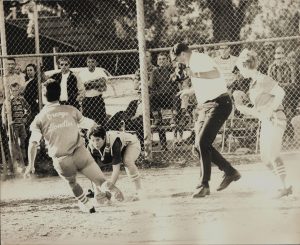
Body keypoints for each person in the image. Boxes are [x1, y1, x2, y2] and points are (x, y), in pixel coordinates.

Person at [24, 79, 124, 213]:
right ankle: (109, 187)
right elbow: (92, 124)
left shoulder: (40, 118)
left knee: (72, 183)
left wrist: (30, 165)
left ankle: (87, 205)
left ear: (43, 95)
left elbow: (33, 143)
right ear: (60, 94)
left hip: (62, 159)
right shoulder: (70, 110)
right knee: (100, 181)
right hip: (79, 152)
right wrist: (91, 140)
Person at [172, 43, 241, 198]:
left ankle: (204, 184)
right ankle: (229, 172)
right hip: (211, 105)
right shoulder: (194, 62)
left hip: (220, 104)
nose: (179, 62)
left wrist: (193, 74)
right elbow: (208, 82)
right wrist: (189, 91)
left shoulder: (197, 60)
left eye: (177, 58)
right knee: (199, 145)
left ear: (183, 54)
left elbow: (215, 74)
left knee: (202, 143)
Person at [233, 49, 292, 198]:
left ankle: (283, 187)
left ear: (245, 66)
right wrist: (242, 108)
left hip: (275, 118)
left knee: (273, 155)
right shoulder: (253, 84)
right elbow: (259, 113)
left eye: (240, 68)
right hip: (267, 120)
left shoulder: (262, 79)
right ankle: (285, 184)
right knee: (265, 159)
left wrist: (271, 110)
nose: (240, 72)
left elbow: (281, 93)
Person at [87, 126, 143, 201]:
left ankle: (139, 191)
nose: (95, 143)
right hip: (121, 147)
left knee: (127, 160)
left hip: (131, 144)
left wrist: (109, 188)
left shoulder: (114, 142)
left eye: (98, 140)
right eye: (93, 140)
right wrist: (97, 191)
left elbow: (116, 169)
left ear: (104, 137)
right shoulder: (90, 147)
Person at [2, 82, 31, 165]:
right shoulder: (8, 101)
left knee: (23, 142)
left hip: (21, 124)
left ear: (19, 90)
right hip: (14, 126)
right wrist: (7, 124)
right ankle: (17, 161)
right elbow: (4, 113)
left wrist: (25, 117)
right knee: (15, 143)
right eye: (13, 90)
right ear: (10, 91)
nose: (15, 92)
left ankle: (25, 159)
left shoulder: (22, 99)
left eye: (16, 90)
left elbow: (28, 109)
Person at [78, 55, 108, 127]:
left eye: (92, 62)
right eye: (89, 62)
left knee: (101, 121)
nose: (90, 64)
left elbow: (103, 83)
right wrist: (96, 82)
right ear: (86, 63)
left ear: (96, 63)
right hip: (87, 100)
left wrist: (90, 83)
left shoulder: (100, 71)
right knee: (87, 121)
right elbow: (83, 86)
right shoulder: (82, 73)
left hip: (98, 99)